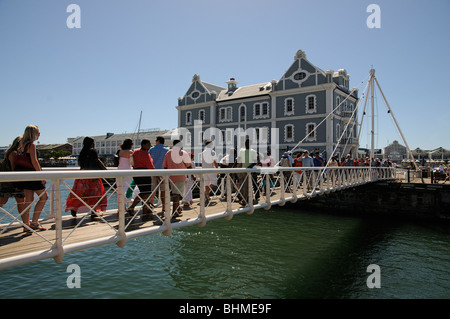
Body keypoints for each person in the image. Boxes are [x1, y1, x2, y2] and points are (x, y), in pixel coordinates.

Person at [14, 125, 48, 231]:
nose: (39, 135)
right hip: (32, 176)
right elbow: (34, 161)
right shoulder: (31, 145)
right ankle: (34, 223)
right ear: (33, 134)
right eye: (38, 133)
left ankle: (26, 225)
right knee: (44, 197)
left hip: (24, 176)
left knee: (28, 201)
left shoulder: (21, 145)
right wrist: (41, 175)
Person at [65, 136, 107, 219]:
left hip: (83, 175)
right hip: (93, 175)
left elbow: (80, 163)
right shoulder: (93, 151)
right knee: (95, 194)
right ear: (91, 143)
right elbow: (97, 161)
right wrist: (105, 170)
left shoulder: (82, 151)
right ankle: (94, 211)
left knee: (80, 193)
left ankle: (74, 208)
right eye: (93, 143)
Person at [163, 140, 193, 218]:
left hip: (171, 177)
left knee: (174, 193)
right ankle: (174, 211)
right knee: (177, 194)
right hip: (180, 176)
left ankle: (177, 209)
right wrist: (192, 174)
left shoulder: (168, 153)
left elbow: (165, 166)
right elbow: (189, 165)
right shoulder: (183, 153)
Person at [0, 136, 26, 227]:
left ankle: (26, 224)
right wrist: (17, 182)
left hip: (8, 181)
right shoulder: (14, 153)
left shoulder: (10, 152)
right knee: (20, 202)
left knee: (19, 202)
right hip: (11, 182)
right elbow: (13, 168)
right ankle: (26, 224)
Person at [127, 139, 155, 218]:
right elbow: (150, 165)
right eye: (148, 145)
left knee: (144, 192)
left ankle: (145, 210)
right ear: (144, 145)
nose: (149, 147)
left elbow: (132, 162)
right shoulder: (146, 153)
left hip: (136, 173)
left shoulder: (135, 152)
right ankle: (137, 209)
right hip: (144, 174)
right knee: (146, 193)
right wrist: (157, 174)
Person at [149, 136, 170, 211]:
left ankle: (150, 202)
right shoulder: (167, 150)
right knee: (163, 190)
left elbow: (149, 160)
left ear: (158, 141)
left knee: (152, 189)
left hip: (153, 171)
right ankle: (164, 206)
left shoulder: (151, 149)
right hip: (163, 172)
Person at [237, 139, 259, 206]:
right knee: (244, 185)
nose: (247, 144)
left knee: (249, 184)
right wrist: (234, 168)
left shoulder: (253, 151)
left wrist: (249, 167)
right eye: (246, 142)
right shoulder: (241, 151)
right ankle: (248, 198)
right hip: (244, 170)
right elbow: (239, 160)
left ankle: (245, 199)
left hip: (250, 170)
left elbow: (255, 161)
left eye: (248, 143)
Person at [116, 139, 134, 207]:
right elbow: (132, 163)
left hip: (119, 171)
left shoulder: (119, 152)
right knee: (129, 188)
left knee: (120, 189)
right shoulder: (130, 152)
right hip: (127, 172)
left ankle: (120, 207)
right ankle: (129, 205)